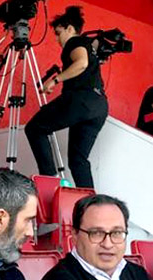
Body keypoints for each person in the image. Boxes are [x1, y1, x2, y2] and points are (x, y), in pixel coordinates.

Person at [25, 5, 108, 188]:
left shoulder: (75, 42)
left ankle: (50, 180)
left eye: (58, 33)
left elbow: (82, 63)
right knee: (78, 161)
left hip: (82, 99)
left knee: (35, 128)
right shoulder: (88, 45)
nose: (57, 39)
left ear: (70, 28)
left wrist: (55, 81)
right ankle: (90, 205)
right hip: (99, 106)